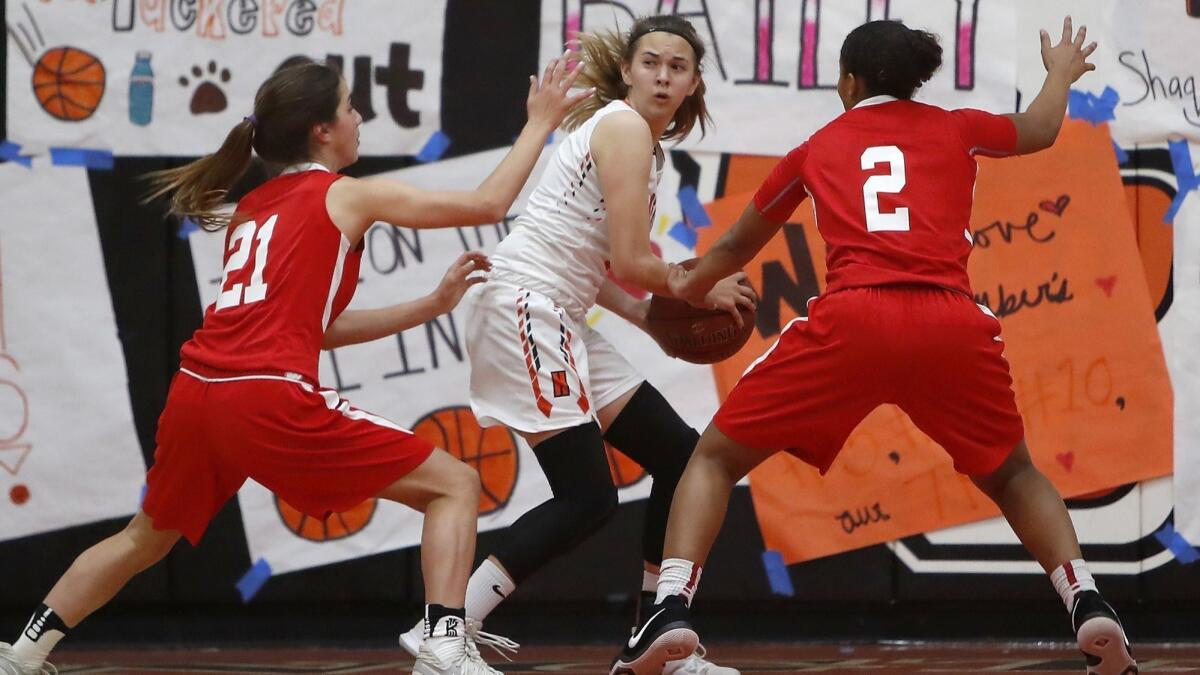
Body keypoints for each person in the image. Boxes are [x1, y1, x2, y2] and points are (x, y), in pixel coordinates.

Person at [0, 54, 590, 675]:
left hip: (197, 394)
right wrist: (539, 123)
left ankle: (22, 652)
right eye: (350, 107)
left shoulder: (253, 210)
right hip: (265, 397)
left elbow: (320, 330)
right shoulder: (346, 194)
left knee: (144, 538)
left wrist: (431, 304)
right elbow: (487, 204)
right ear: (322, 131)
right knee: (456, 484)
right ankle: (444, 640)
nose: (359, 117)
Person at [613, 17, 1138, 675]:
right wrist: (1059, 73)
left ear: (850, 80)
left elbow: (735, 246)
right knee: (1013, 472)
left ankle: (670, 607)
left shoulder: (818, 145)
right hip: (948, 322)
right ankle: (1085, 596)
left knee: (713, 458)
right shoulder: (957, 126)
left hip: (853, 320)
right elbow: (1039, 129)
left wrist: (690, 283)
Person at [396, 15, 753, 675]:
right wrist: (696, 286)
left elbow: (604, 268)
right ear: (627, 71)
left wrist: (651, 316)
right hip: (526, 306)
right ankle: (446, 630)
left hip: (559, 307)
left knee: (681, 456)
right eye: (651, 61)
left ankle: (653, 632)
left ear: (694, 81)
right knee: (587, 496)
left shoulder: (643, 144)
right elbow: (630, 258)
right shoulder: (620, 127)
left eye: (678, 66)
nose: (663, 75)